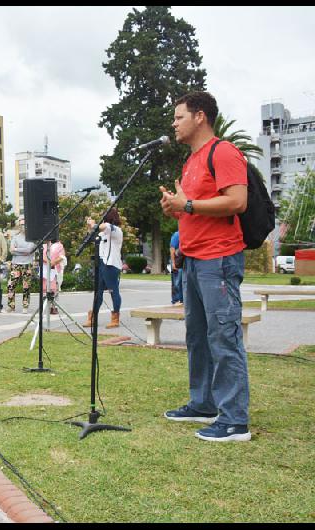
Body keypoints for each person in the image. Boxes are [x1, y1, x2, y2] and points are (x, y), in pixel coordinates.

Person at [159, 90, 251, 442]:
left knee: (223, 335)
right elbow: (192, 205)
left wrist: (190, 205)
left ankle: (234, 420)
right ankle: (203, 402)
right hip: (193, 261)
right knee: (197, 336)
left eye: (179, 116)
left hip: (219, 259)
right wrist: (177, 207)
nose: (174, 123)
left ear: (200, 117)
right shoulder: (191, 161)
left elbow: (237, 201)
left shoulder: (223, 152)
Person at [83, 209, 123, 329]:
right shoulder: (102, 233)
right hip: (100, 263)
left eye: (104, 216)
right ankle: (93, 317)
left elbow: (104, 226)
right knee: (98, 292)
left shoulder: (116, 230)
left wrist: (93, 223)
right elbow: (90, 238)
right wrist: (90, 228)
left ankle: (115, 317)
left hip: (111, 264)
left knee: (113, 290)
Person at [7, 216, 37, 313]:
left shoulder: (32, 238)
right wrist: (21, 251)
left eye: (25, 224)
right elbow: (11, 251)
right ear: (19, 225)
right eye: (21, 224)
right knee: (11, 285)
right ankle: (11, 306)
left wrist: (16, 249)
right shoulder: (15, 237)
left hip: (27, 264)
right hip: (15, 264)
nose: (23, 226)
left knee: (26, 286)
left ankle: (25, 306)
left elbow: (29, 250)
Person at [45, 237, 66, 315]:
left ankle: (55, 307)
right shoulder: (46, 245)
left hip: (56, 269)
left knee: (55, 289)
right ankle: (49, 306)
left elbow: (62, 257)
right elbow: (43, 255)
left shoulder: (59, 245)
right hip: (47, 269)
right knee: (48, 288)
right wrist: (48, 262)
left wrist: (53, 263)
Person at [169, 230, 184, 306]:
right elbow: (172, 249)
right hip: (178, 262)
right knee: (177, 282)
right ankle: (176, 300)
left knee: (183, 282)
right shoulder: (177, 235)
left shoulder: (186, 234)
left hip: (184, 263)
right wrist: (173, 263)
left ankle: (182, 300)